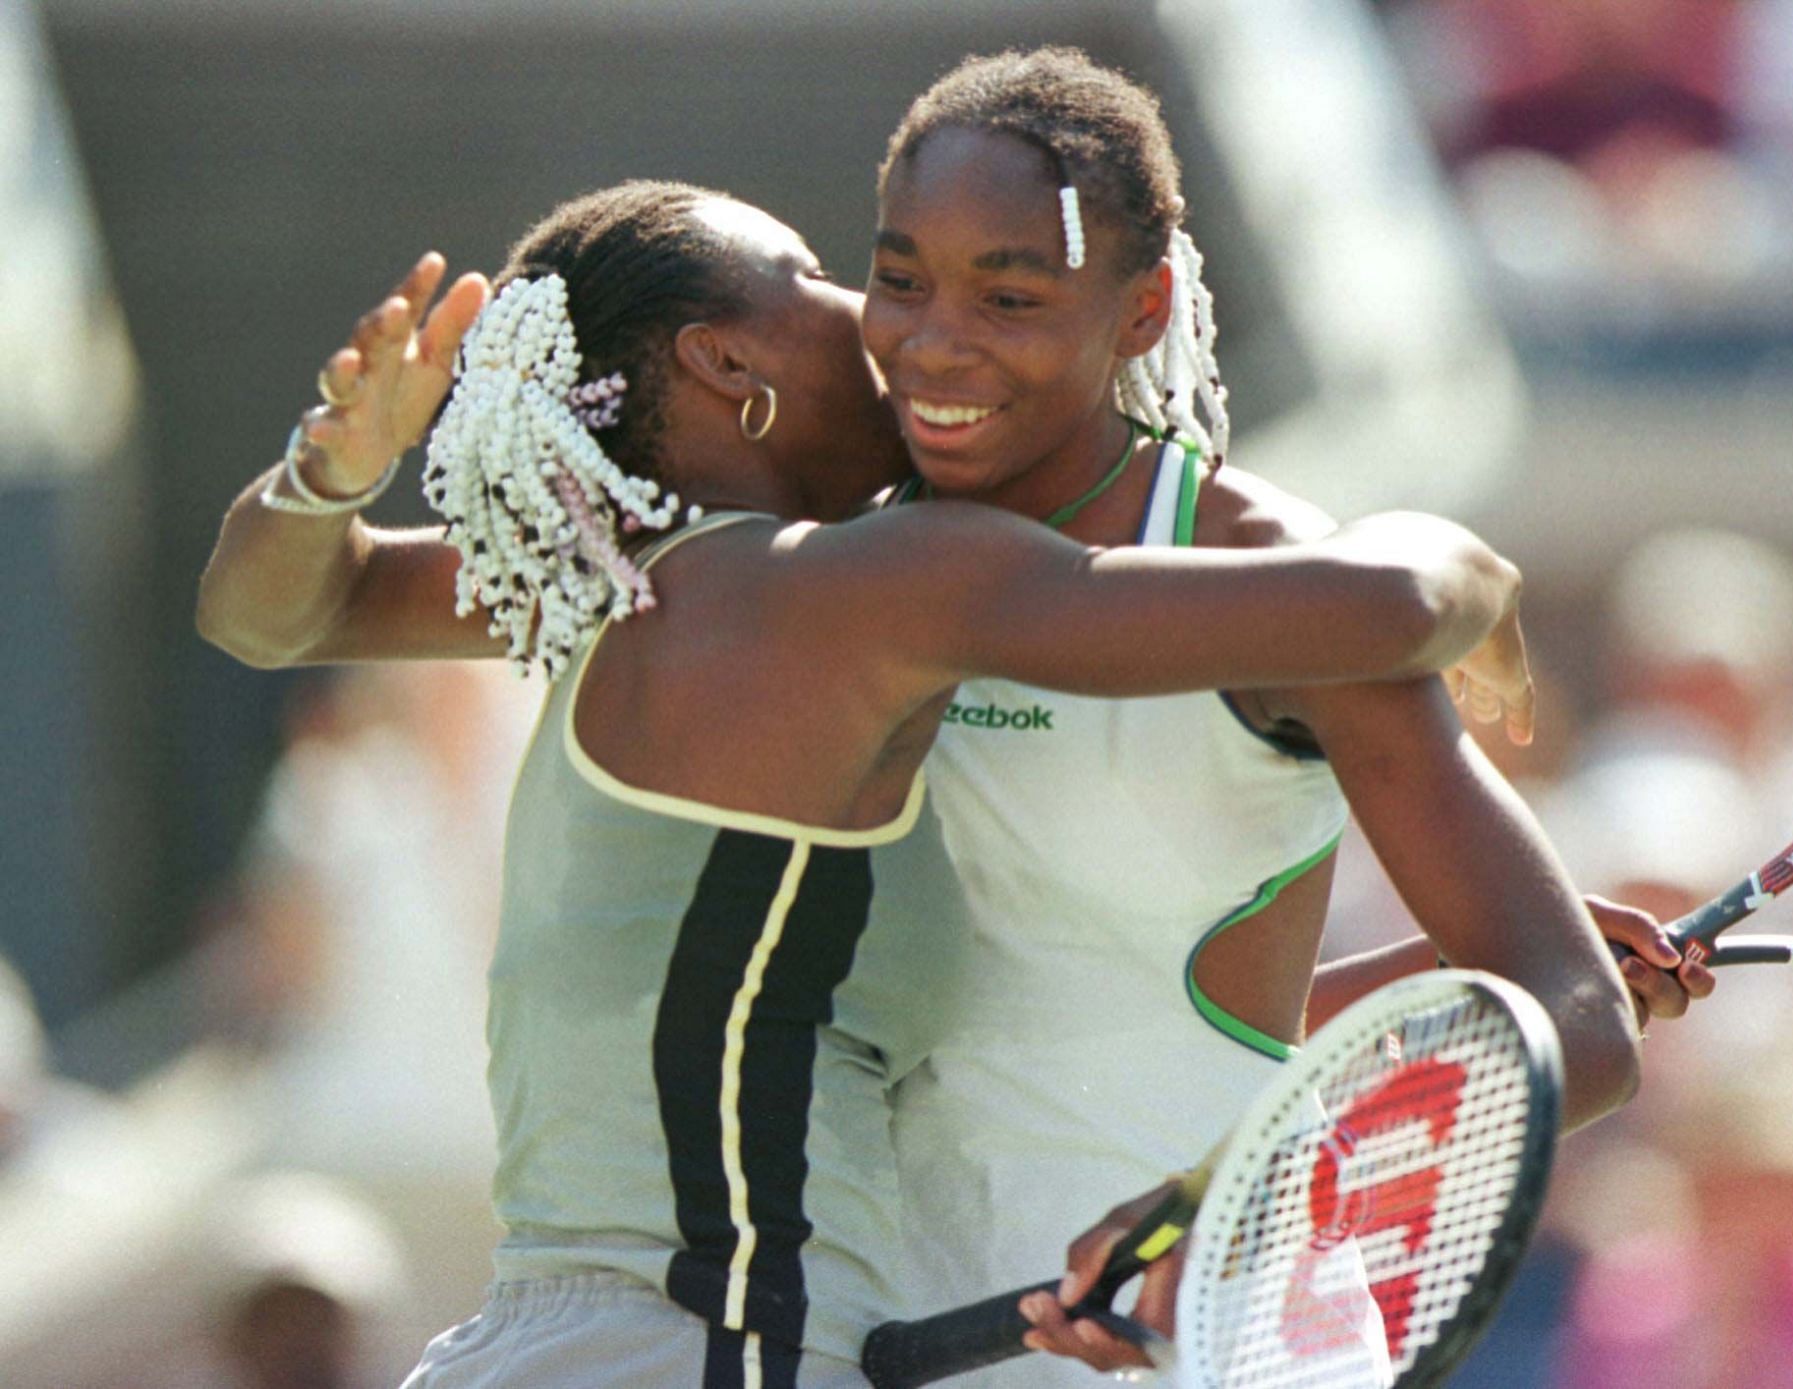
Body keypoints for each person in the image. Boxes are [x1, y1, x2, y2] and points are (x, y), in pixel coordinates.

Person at [197, 181, 1549, 1389]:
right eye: (824, 286)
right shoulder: (855, 592)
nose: (881, 323)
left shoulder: (615, 587)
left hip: (559, 1344)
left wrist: (330, 467)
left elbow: (265, 613)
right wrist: (1464, 569)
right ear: (729, 366)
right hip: (707, 1349)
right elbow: (1376, 608)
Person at [855, 49, 1702, 1379]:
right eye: (900, 278)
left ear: (1142, 315)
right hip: (896, 1329)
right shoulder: (835, 557)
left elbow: (1580, 1021)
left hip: (1225, 1341)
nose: (933, 338)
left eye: (1009, 292)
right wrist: (1407, 993)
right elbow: (1126, 1010)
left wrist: (1216, 1192)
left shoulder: (1282, 582)